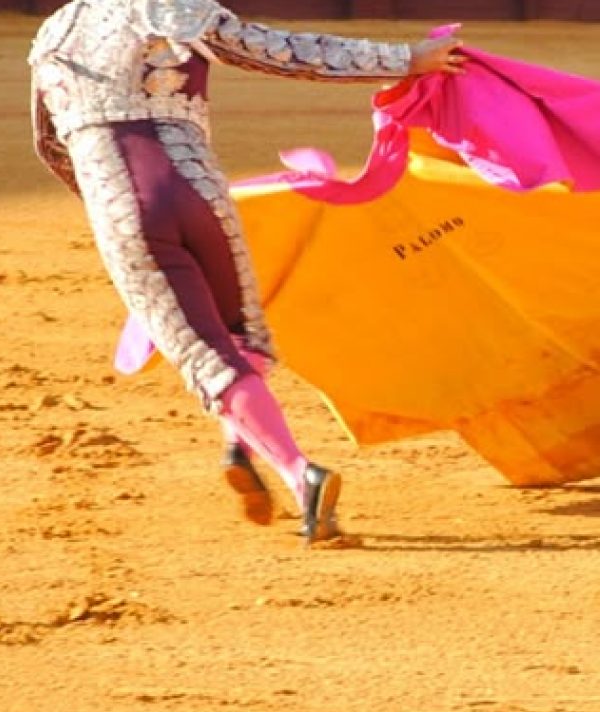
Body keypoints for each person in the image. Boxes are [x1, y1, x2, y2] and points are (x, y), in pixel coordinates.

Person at [28, 0, 465, 543]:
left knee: (205, 355)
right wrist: (408, 58)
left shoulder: (55, 31)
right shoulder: (176, 9)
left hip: (126, 204)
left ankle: (301, 477)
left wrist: (116, 215)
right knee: (241, 335)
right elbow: (287, 53)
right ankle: (240, 441)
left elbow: (48, 145)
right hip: (204, 193)